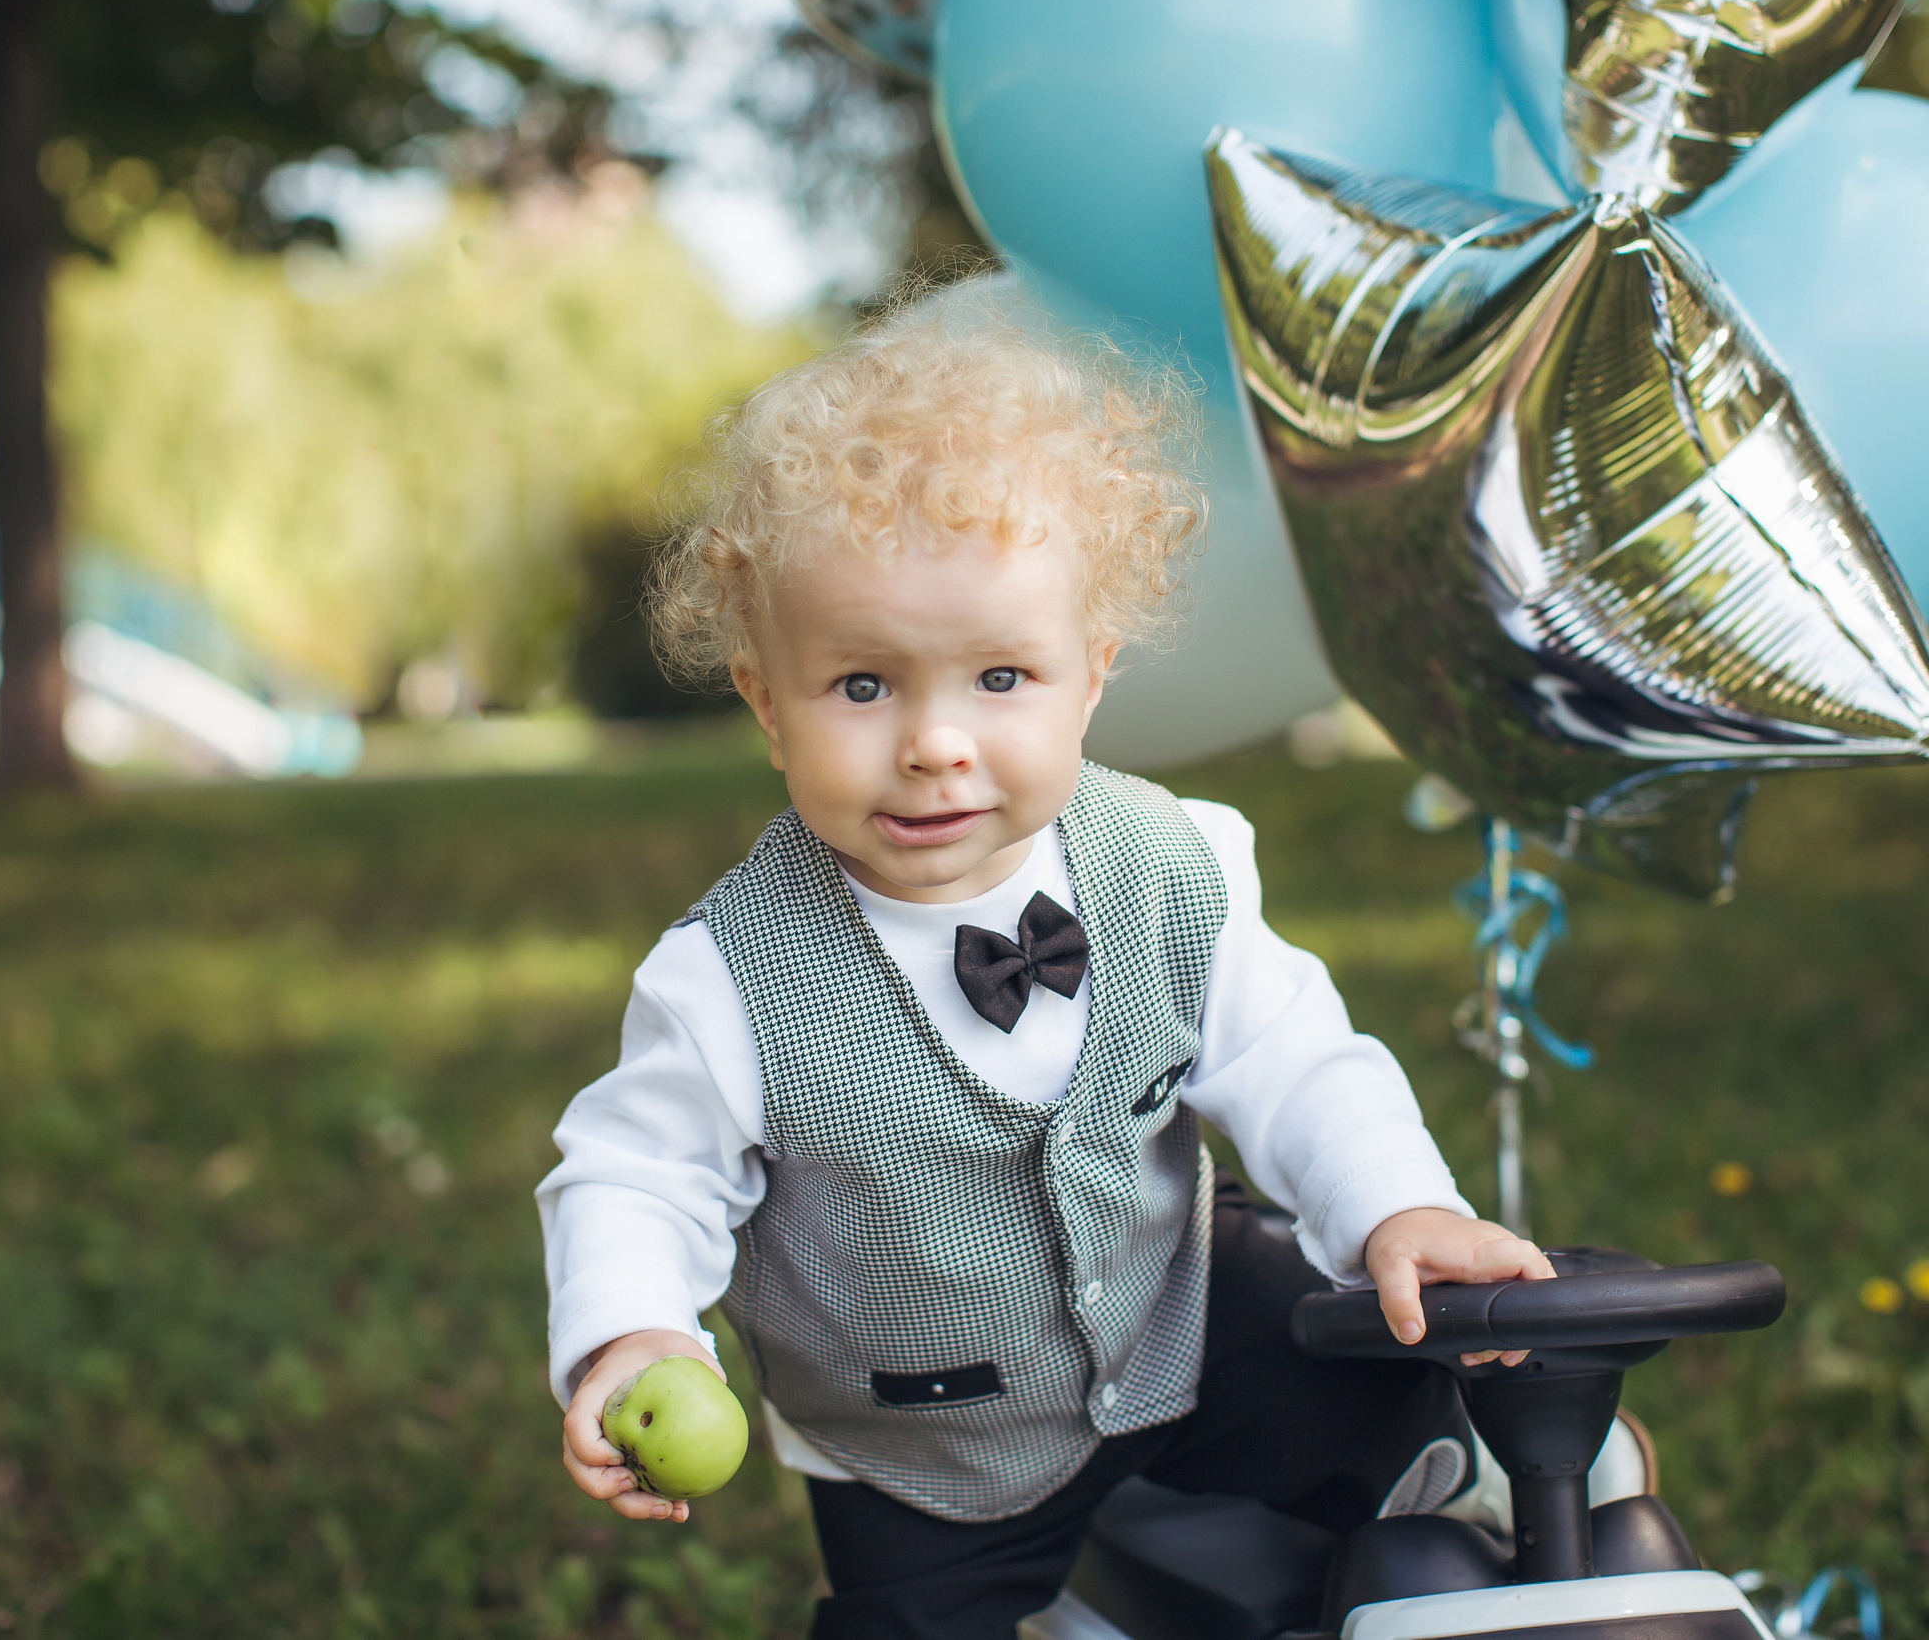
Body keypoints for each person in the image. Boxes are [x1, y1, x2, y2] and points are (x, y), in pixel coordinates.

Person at [537, 285, 1552, 1640]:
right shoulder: (730, 978)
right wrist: (633, 1334)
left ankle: (1479, 1476)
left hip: (1180, 1324)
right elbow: (636, 1173)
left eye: (1000, 679)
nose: (936, 743)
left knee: (1347, 1361)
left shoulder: (1173, 866)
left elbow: (1296, 1061)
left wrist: (1397, 1212)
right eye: (862, 685)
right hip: (926, 1443)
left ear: (1093, 672)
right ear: (766, 705)